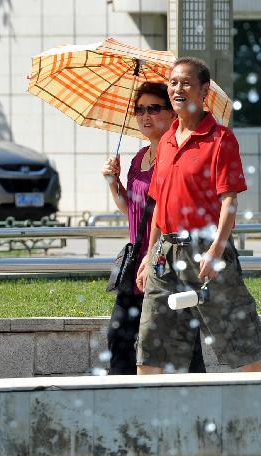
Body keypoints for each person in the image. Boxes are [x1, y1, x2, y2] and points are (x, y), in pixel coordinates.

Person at [135, 57, 261, 375]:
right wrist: (149, 254)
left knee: (239, 344)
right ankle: (153, 422)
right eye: (173, 82)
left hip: (206, 249)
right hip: (165, 254)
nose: (177, 88)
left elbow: (229, 201)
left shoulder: (221, 140)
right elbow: (159, 206)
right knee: (151, 348)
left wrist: (216, 250)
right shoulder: (165, 141)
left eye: (185, 83)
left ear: (204, 90)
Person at [102, 82, 206, 375]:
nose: (145, 116)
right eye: (139, 109)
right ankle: (123, 408)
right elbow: (132, 209)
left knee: (182, 343)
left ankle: (198, 405)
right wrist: (113, 183)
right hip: (136, 261)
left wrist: (155, 256)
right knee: (119, 338)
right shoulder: (139, 158)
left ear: (173, 113)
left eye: (154, 108)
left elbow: (176, 212)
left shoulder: (177, 158)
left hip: (167, 261)